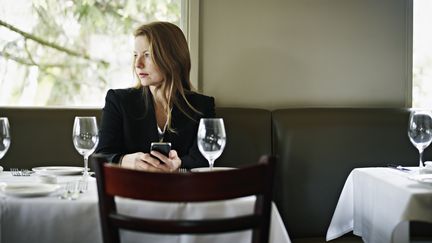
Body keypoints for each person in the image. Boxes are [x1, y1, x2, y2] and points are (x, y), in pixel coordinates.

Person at [95, 21, 215, 172]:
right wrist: (126, 161)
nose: (137, 64)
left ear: (172, 58)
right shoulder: (118, 100)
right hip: (130, 191)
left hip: (182, 192)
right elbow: (101, 154)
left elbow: (205, 158)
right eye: (135, 55)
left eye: (147, 55)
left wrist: (178, 165)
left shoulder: (202, 106)